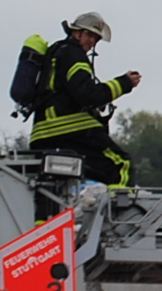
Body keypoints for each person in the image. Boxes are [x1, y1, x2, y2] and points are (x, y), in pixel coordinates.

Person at [30, 12, 142, 209]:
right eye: (89, 35)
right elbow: (88, 94)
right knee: (120, 165)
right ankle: (120, 216)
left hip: (42, 133)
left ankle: (43, 224)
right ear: (76, 32)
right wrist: (123, 83)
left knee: (51, 186)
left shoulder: (57, 52)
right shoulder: (73, 54)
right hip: (67, 127)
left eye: (96, 38)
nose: (92, 41)